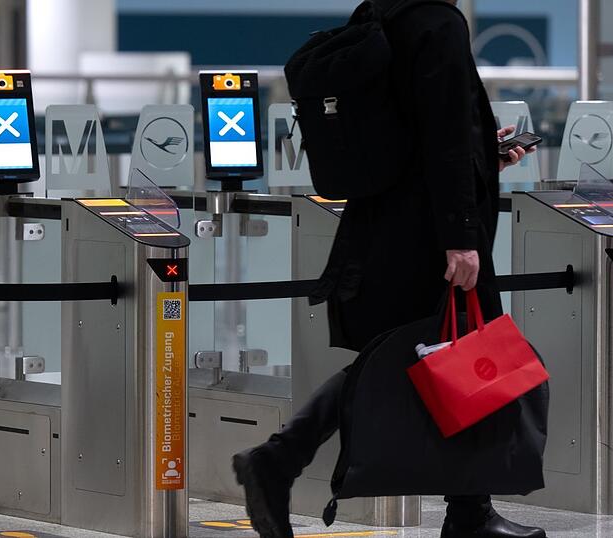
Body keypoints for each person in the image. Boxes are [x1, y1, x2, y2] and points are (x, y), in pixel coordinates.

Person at [232, 1, 544, 537]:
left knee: (409, 355)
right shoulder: (438, 23)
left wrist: (482, 155)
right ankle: (281, 460)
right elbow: (443, 133)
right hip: (429, 234)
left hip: (384, 225)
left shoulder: (379, 14)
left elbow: (407, 134)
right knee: (462, 354)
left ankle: (466, 508)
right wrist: (460, 240)